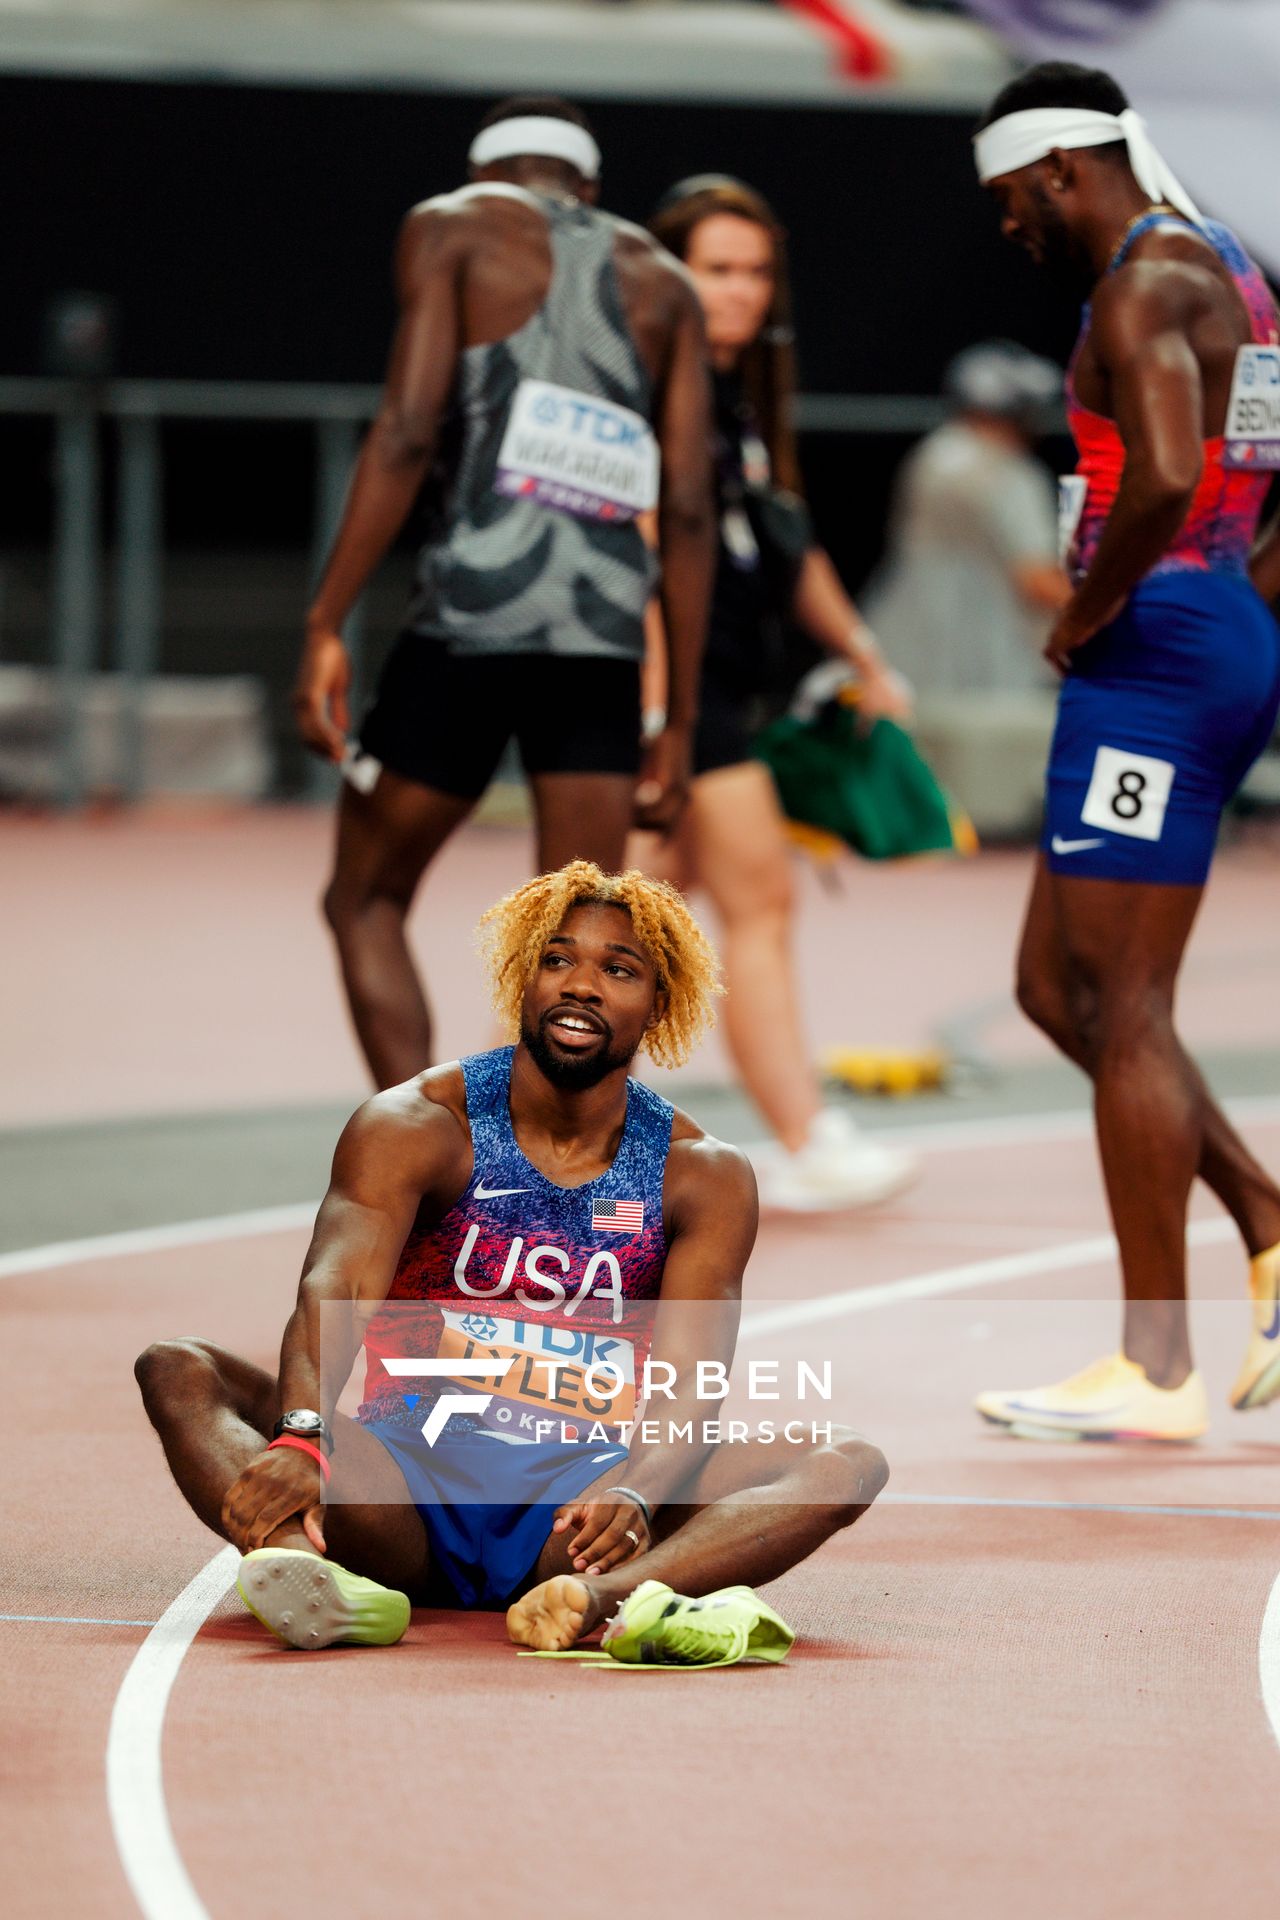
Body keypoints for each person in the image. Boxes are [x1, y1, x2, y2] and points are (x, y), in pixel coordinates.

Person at [134, 862, 888, 1660]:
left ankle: (588, 1601)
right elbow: (337, 1283)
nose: (582, 986)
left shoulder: (699, 1173)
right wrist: (306, 1435)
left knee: (847, 1462)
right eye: (557, 960)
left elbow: (690, 1380)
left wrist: (636, 1489)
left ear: (659, 1005)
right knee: (179, 1368)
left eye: (618, 970)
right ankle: (308, 1572)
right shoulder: (420, 1123)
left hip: (575, 1515)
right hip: (402, 1493)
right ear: (522, 980)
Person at [970, 61, 1280, 1440]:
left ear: (1057, 168)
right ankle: (1269, 1221)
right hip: (1207, 636)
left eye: (1009, 200)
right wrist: (1240, 615)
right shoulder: (1235, 269)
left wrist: (1094, 614)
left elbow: (1159, 472)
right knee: (1055, 987)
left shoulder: (1141, 286)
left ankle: (1156, 1367)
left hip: (1149, 658)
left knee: (1129, 1000)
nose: (1007, 229)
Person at [294, 97, 716, 1088]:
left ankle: (427, 1148)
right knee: (581, 946)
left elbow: (404, 431)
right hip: (600, 647)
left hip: (469, 624)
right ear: (591, 188)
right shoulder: (665, 283)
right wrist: (679, 719)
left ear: (484, 171)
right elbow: (689, 506)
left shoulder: (451, 225)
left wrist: (323, 620)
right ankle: (553, 1184)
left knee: (362, 898)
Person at [632, 174, 918, 1212]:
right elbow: (641, 555)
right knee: (708, 912)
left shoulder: (735, 402)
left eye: (756, 273)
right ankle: (802, 1136)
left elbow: (784, 545)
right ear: (666, 274)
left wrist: (862, 651)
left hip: (722, 694)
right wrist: (659, 713)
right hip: (671, 700)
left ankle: (478, 1143)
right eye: (716, 270)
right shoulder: (651, 394)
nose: (741, 293)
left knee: (615, 933)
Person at [861, 340, 1070, 698]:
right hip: (988, 654)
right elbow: (1035, 580)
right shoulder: (1010, 475)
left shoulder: (931, 456)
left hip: (904, 640)